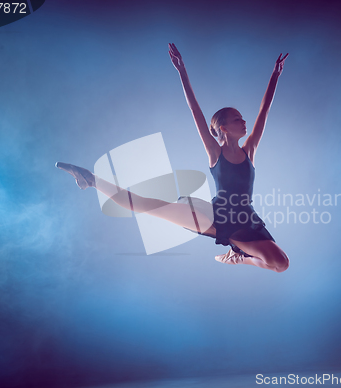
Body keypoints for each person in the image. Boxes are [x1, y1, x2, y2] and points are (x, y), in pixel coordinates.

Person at [56, 43, 289, 273]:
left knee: (281, 263)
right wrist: (183, 73)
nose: (244, 121)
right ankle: (91, 179)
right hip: (214, 215)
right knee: (145, 204)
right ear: (224, 128)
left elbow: (264, 111)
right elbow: (195, 110)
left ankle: (237, 257)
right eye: (238, 119)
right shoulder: (215, 152)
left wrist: (275, 75)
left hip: (246, 218)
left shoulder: (249, 150)